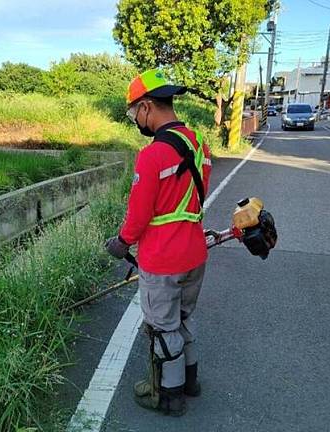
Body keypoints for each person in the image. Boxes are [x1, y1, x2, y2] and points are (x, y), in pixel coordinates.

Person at [105, 69, 212, 416]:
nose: (135, 119)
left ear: (147, 107)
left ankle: (168, 396)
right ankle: (191, 381)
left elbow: (139, 215)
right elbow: (194, 198)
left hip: (162, 259)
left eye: (134, 112)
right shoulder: (200, 145)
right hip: (195, 253)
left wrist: (121, 242)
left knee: (162, 329)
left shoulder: (151, 156)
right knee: (182, 320)